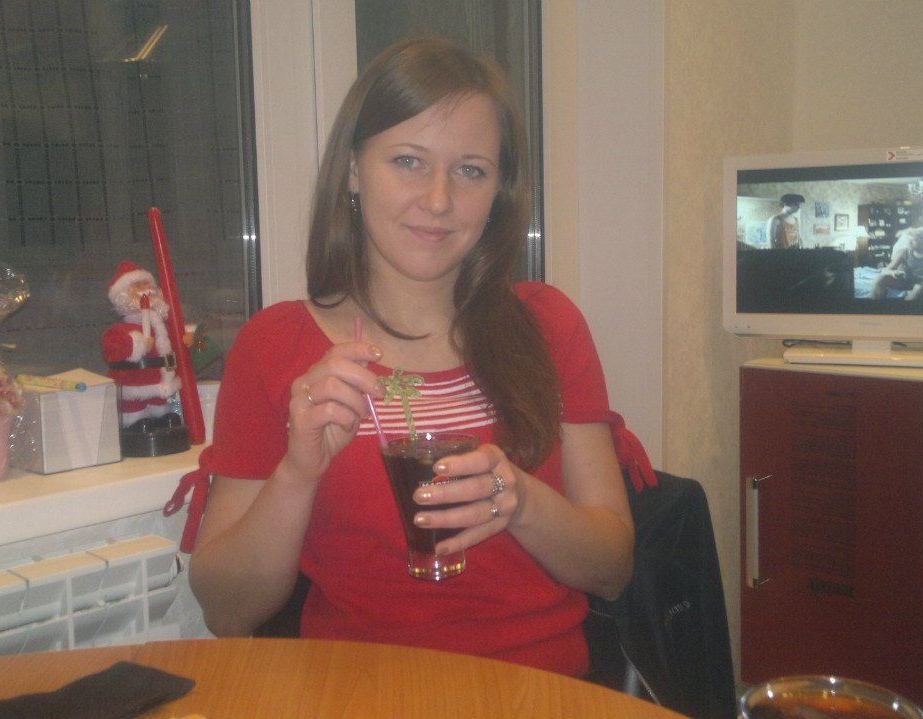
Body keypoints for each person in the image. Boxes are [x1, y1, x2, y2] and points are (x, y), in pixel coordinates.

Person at [187, 37, 636, 678]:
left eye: (471, 171)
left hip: (539, 689)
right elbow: (227, 612)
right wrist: (297, 473)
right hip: (355, 690)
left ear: (499, 190)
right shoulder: (275, 344)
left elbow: (613, 569)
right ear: (352, 170)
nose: (438, 200)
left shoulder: (548, 325)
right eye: (408, 161)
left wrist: (521, 502)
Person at [102, 260, 183, 431]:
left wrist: (188, 341)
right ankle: (135, 422)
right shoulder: (120, 330)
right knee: (135, 408)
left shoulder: (161, 329)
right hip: (134, 384)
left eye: (147, 284)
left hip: (159, 384)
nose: (145, 289)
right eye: (137, 286)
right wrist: (136, 344)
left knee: (161, 406)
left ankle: (161, 416)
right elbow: (112, 348)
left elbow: (175, 346)